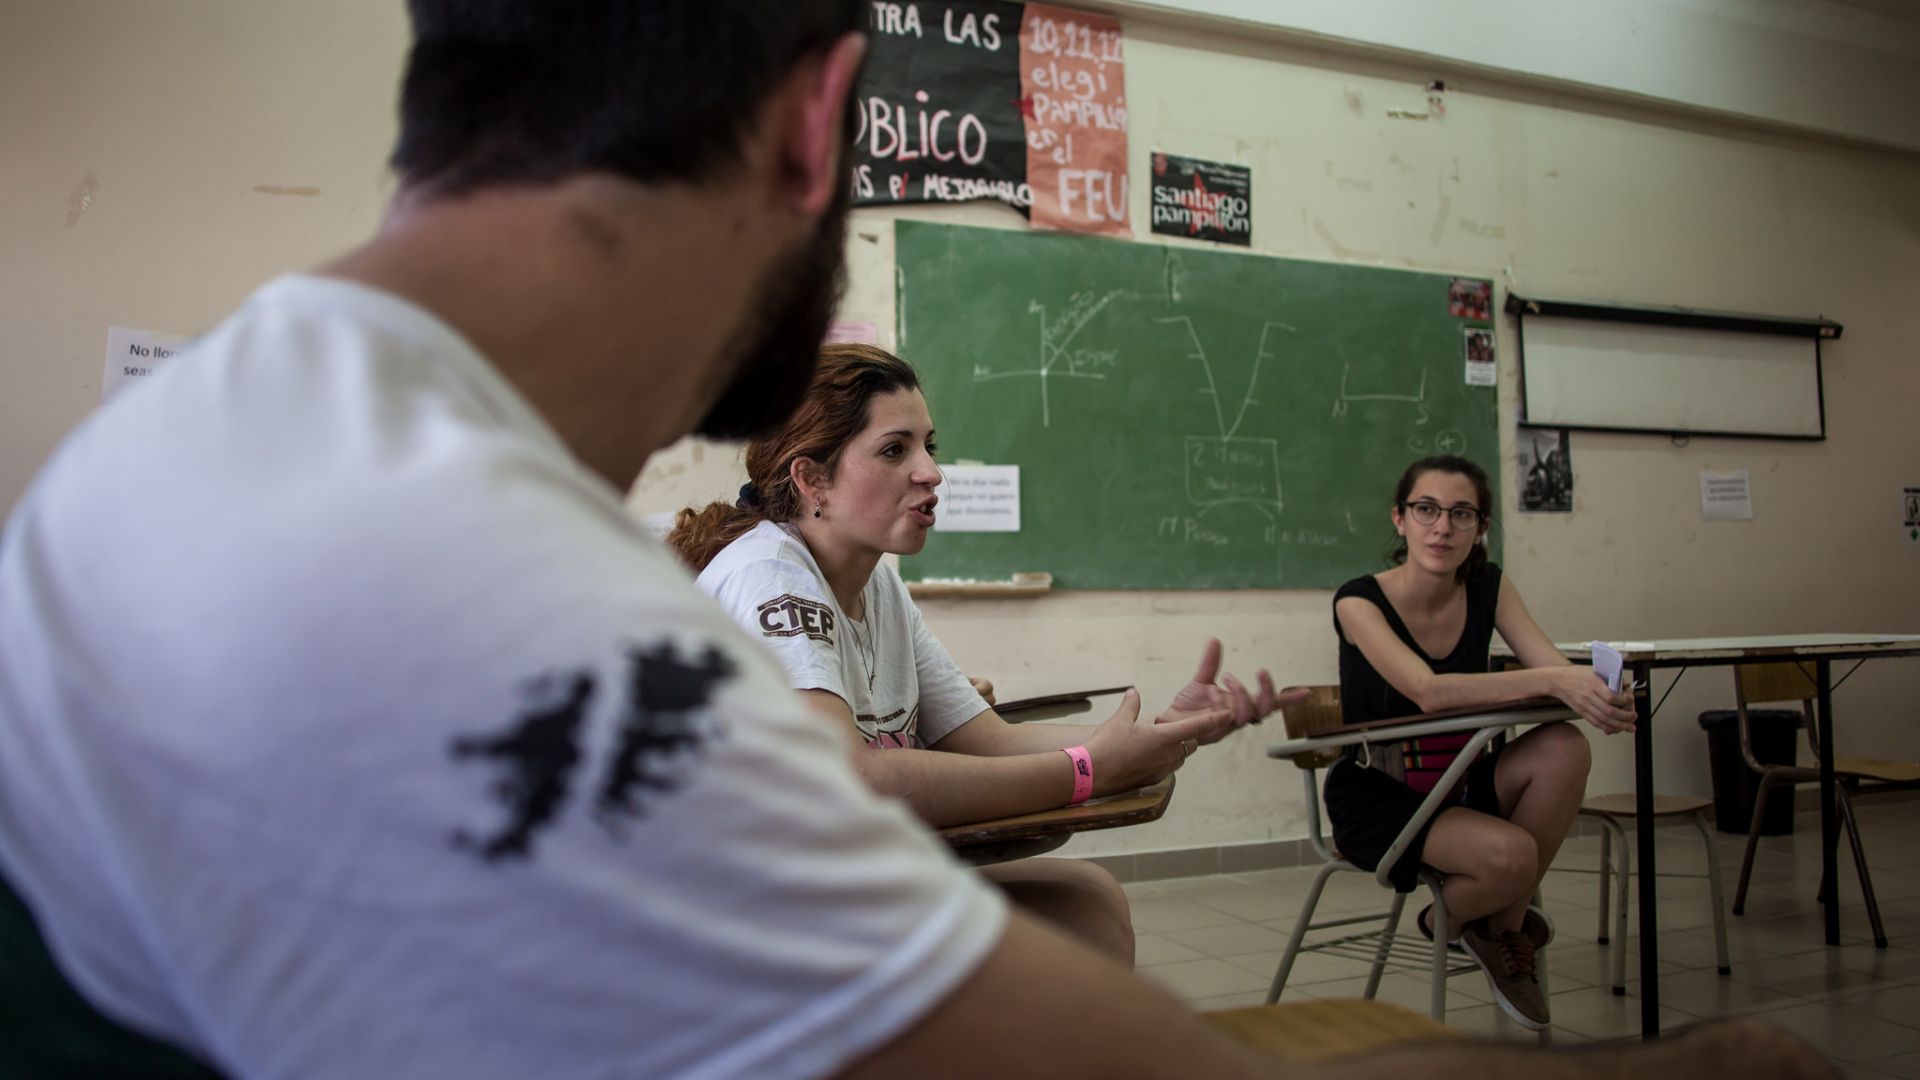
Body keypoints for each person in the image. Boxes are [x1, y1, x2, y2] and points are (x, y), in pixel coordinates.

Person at [0, 2, 1834, 1076]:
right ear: (820, 124)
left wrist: (1131, 747)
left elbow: (954, 772)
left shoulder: (234, 432)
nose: (926, 470)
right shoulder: (457, 607)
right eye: (905, 446)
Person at [669, 343, 1287, 965]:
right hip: (744, 921)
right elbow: (852, 779)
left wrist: (1160, 735)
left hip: (838, 891)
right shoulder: (772, 575)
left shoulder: (876, 580)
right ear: (812, 479)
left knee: (1085, 905)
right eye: (894, 450)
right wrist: (1087, 771)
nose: (931, 473)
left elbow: (990, 740)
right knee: (1071, 926)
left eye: (928, 447)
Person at [1326, 455, 1636, 1031]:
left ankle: (1493, 930)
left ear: (1481, 528)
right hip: (1379, 795)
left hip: (1464, 778)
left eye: (1461, 514)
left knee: (1567, 746)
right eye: (1426, 510)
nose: (1442, 528)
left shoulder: (1489, 586)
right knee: (1515, 857)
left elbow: (1555, 668)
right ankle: (1474, 925)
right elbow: (1428, 692)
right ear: (1399, 519)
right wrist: (1554, 679)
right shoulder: (1357, 600)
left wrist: (1599, 695)